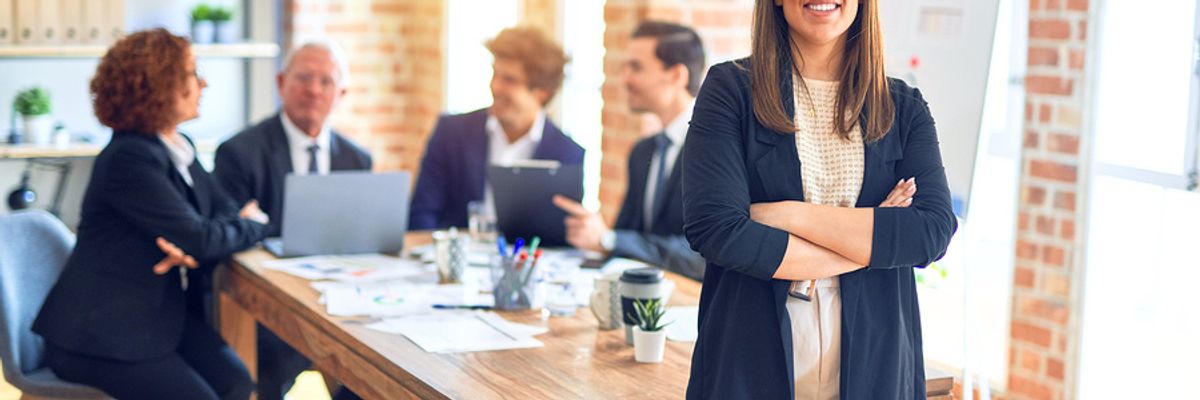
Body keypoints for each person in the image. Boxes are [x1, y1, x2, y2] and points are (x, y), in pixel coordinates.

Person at [680, 1, 957, 398]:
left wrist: (789, 215)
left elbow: (930, 233)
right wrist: (875, 234)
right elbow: (717, 230)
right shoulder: (731, 90)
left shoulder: (903, 106)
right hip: (748, 362)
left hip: (876, 368)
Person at [32, 28, 269, 400]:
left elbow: (216, 212)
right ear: (160, 86)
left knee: (238, 383)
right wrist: (252, 225)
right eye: (192, 74)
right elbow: (202, 237)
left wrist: (204, 236)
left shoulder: (178, 145)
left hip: (156, 314)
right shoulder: (129, 158)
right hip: (101, 333)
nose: (202, 83)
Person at [212, 39, 370, 400]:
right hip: (272, 308)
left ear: (341, 93)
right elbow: (231, 238)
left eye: (326, 82)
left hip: (345, 303)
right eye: (303, 78)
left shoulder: (357, 159)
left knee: (378, 369)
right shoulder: (239, 153)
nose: (314, 90)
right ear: (281, 83)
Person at [552, 21, 706, 281]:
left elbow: (702, 256)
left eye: (636, 67)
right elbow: (626, 235)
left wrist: (607, 238)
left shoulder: (715, 150)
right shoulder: (643, 152)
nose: (624, 79)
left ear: (677, 76)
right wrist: (597, 237)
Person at [409, 26, 584, 230]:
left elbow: (561, 234)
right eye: (495, 74)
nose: (495, 86)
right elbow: (421, 216)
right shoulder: (451, 132)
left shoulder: (568, 154)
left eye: (509, 80)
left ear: (541, 92)